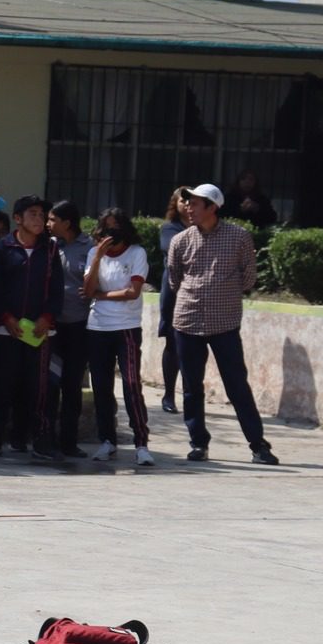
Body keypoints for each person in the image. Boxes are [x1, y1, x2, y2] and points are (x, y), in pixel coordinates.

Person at [165, 183, 277, 464]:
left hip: (224, 322)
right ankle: (198, 443)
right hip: (187, 321)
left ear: (212, 207)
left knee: (237, 385)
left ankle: (258, 445)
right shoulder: (180, 240)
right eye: (187, 203)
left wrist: (222, 293)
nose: (189, 208)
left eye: (195, 203)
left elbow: (249, 277)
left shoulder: (239, 237)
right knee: (191, 387)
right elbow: (174, 279)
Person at [0, 195, 61, 460]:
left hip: (39, 332)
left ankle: (40, 439)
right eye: (33, 214)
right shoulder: (3, 248)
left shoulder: (50, 250)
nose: (39, 219)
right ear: (18, 218)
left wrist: (47, 317)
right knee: (1, 385)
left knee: (38, 388)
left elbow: (57, 289)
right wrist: (6, 317)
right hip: (6, 330)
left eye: (42, 214)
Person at [83, 207, 154, 467]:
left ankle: (141, 443)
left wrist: (101, 296)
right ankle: (107, 440)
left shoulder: (137, 254)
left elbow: (132, 292)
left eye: (115, 229)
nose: (109, 234)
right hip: (98, 327)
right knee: (102, 387)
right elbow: (88, 289)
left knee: (131, 384)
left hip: (126, 327)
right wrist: (99, 257)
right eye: (105, 229)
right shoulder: (94, 253)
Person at [46, 199, 92, 457]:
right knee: (50, 383)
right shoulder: (50, 246)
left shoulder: (90, 248)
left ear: (67, 222)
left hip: (79, 327)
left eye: (53, 219)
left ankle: (69, 441)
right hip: (53, 328)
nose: (48, 224)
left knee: (72, 385)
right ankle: (47, 439)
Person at [157, 188, 189, 411]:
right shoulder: (170, 228)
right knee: (173, 342)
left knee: (195, 346)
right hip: (174, 290)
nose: (187, 204)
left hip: (199, 292)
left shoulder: (206, 228)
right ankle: (169, 395)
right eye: (183, 200)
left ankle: (191, 395)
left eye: (192, 201)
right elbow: (172, 249)